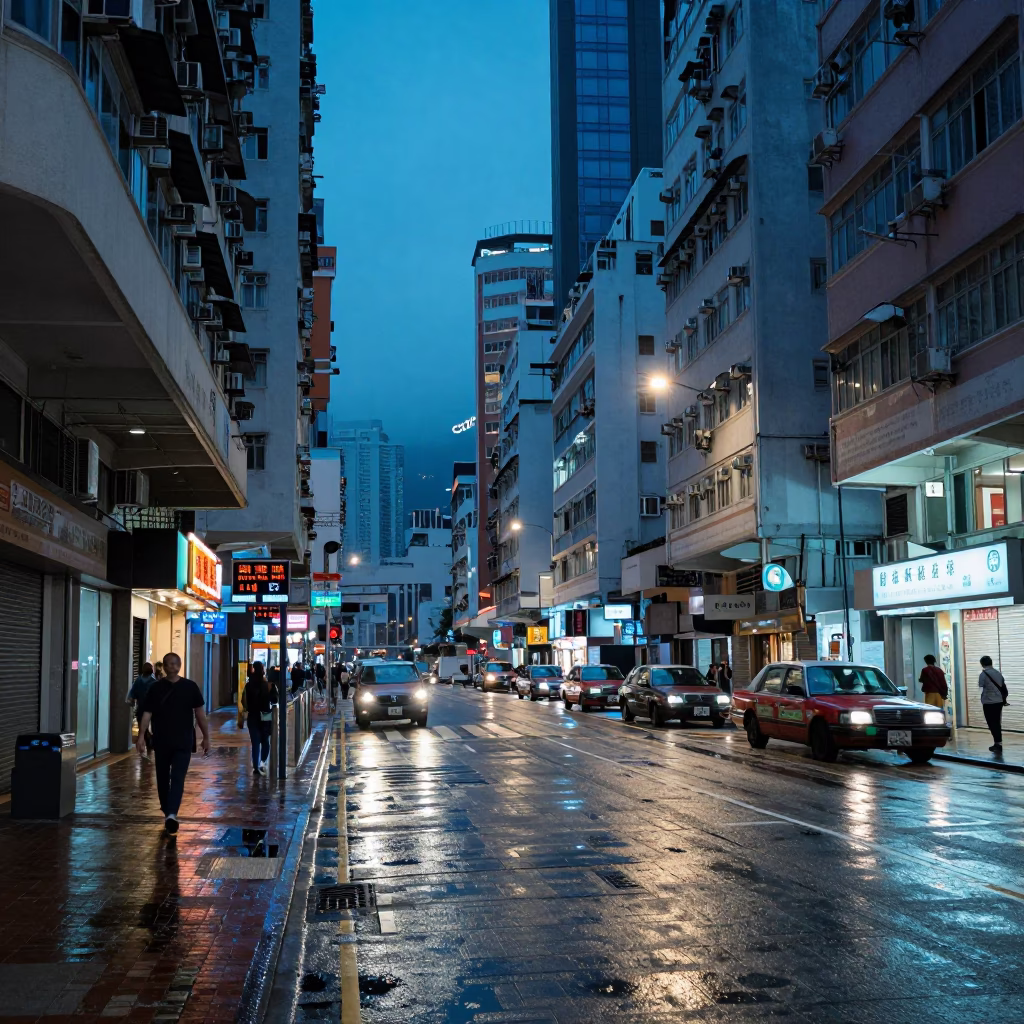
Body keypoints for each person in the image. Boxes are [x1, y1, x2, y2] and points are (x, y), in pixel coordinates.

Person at [136, 652, 210, 835]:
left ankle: (171, 814)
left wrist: (206, 737)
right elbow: (147, 713)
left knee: (176, 777)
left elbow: (200, 714)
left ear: (179, 665)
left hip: (182, 741)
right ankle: (168, 810)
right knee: (163, 777)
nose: (172, 666)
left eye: (174, 663)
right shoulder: (156, 688)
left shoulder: (190, 687)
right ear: (165, 666)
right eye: (169, 663)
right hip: (162, 741)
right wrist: (141, 736)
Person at [242, 661, 278, 776]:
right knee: (265, 741)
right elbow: (275, 700)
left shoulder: (248, 685)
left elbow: (244, 701)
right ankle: (262, 762)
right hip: (265, 716)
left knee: (255, 742)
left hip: (252, 716)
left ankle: (255, 766)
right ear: (262, 670)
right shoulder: (267, 685)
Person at [979, 655, 1008, 753]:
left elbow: (981, 686)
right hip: (999, 701)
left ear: (982, 664)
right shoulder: (998, 673)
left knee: (991, 723)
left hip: (988, 702)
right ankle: (998, 743)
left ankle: (997, 744)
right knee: (997, 722)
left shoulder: (983, 674)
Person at [127, 662, 157, 753]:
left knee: (142, 728)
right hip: (153, 708)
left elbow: (132, 693)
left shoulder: (138, 681)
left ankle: (145, 743)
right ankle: (150, 743)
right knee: (153, 727)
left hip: (141, 708)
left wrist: (131, 700)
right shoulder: (153, 681)